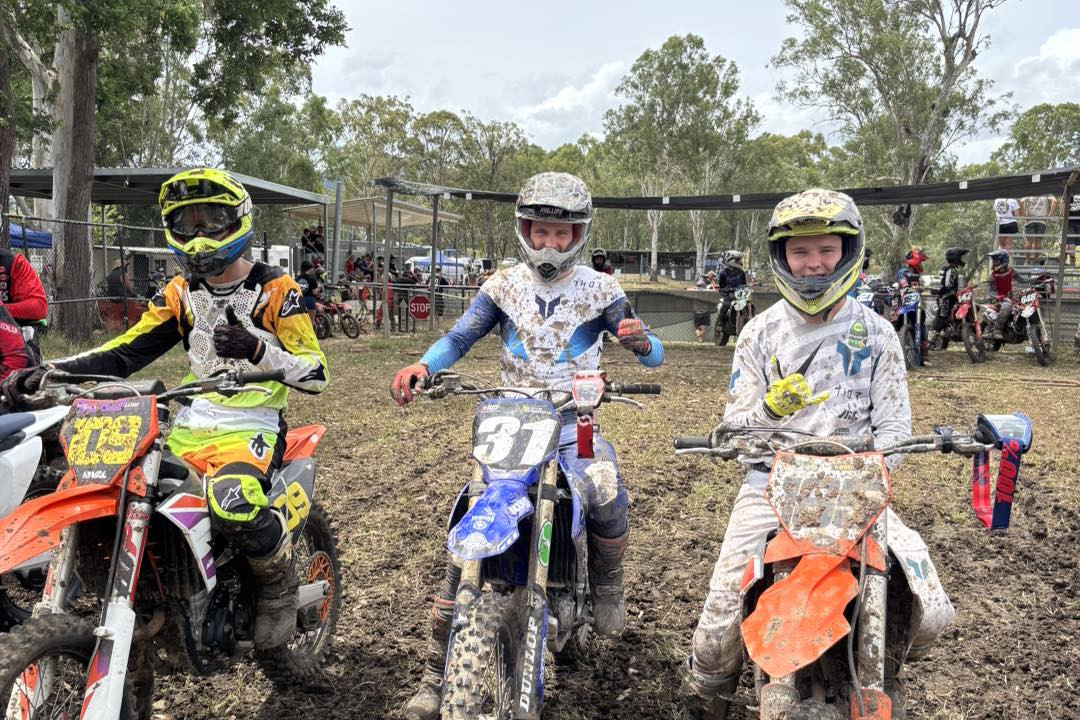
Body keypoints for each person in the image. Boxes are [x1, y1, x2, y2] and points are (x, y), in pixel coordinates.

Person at [6, 168, 329, 649]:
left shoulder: (277, 291)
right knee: (128, 491)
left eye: (211, 221)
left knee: (235, 502)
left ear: (237, 220)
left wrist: (259, 350)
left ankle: (278, 588)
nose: (199, 236)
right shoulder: (180, 293)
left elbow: (317, 374)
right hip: (191, 420)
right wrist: (49, 369)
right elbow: (125, 349)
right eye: (187, 223)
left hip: (252, 423)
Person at [392, 172, 664, 720]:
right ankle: (431, 674)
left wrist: (640, 341)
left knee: (606, 486)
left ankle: (608, 589)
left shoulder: (601, 289)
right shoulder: (502, 285)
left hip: (572, 423)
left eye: (563, 234)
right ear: (525, 230)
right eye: (541, 231)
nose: (551, 244)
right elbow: (460, 336)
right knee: (465, 524)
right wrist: (426, 364)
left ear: (580, 234)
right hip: (509, 422)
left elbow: (651, 353)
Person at [683, 189, 954, 719]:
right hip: (772, 480)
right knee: (716, 629)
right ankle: (707, 697)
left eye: (826, 250)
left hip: (856, 485)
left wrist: (871, 467)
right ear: (782, 258)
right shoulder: (760, 333)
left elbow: (895, 427)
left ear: (848, 253)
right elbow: (735, 427)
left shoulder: (877, 333)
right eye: (800, 252)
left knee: (933, 612)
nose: (813, 264)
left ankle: (887, 656)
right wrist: (768, 410)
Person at [929, 247, 968, 346]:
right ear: (956, 257)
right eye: (960, 257)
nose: (961, 259)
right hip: (946, 298)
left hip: (947, 297)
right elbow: (948, 285)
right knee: (941, 318)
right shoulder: (951, 269)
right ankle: (930, 341)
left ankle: (942, 342)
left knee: (946, 319)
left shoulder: (948, 268)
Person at [714, 251, 748, 327]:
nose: (740, 262)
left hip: (740, 294)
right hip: (728, 294)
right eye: (738, 260)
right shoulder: (723, 273)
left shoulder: (741, 272)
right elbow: (721, 287)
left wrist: (745, 290)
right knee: (726, 304)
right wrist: (729, 292)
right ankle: (721, 323)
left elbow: (744, 285)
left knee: (749, 305)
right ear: (731, 260)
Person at [988, 249, 1015, 341]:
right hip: (998, 300)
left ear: (1004, 260)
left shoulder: (1011, 271)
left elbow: (1022, 280)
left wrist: (1037, 279)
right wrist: (997, 296)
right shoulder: (993, 276)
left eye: (996, 261)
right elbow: (990, 292)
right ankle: (997, 330)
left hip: (1010, 298)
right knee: (1007, 306)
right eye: (993, 261)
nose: (994, 263)